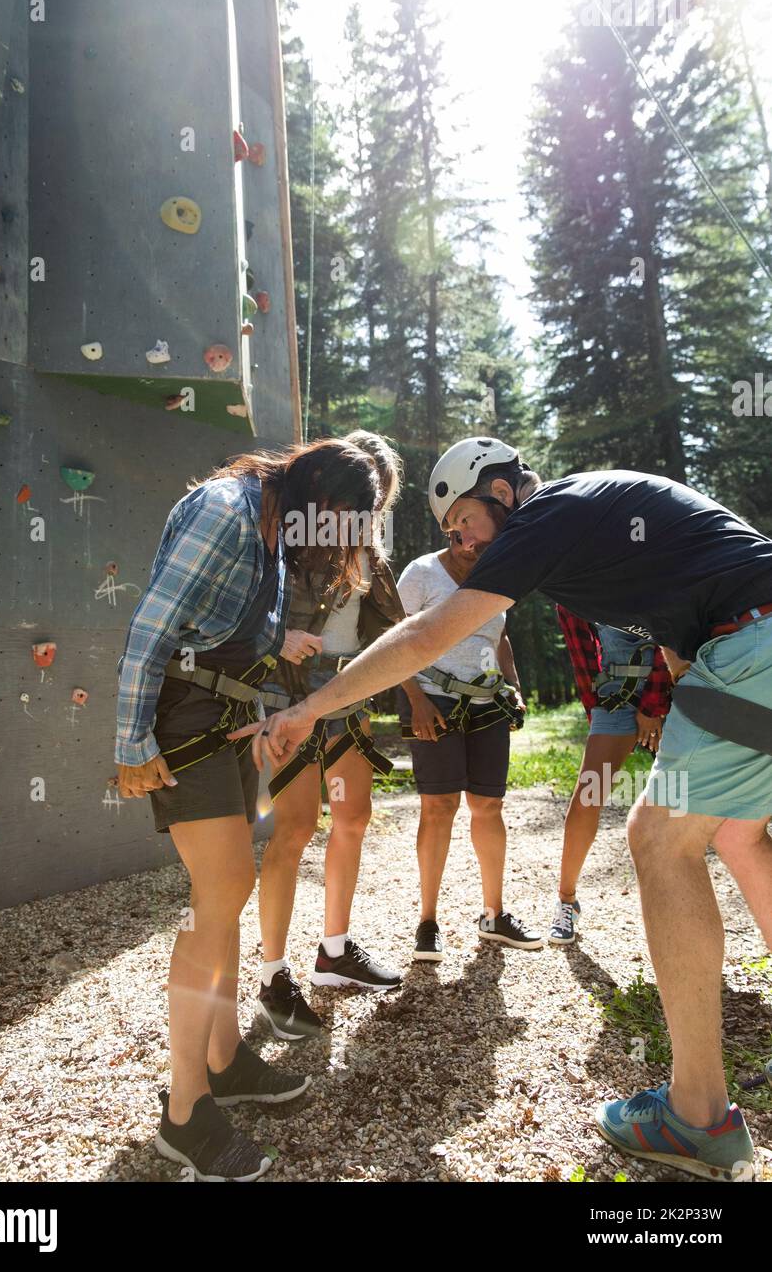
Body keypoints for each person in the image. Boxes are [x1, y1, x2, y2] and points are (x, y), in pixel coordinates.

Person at [232, 436, 772, 1182]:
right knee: (745, 836)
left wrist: (312, 709)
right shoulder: (590, 527)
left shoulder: (548, 515)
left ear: (503, 493)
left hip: (752, 643)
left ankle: (699, 1114)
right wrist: (680, 703)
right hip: (750, 642)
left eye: (462, 525)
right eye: (451, 535)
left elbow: (426, 635)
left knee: (658, 840)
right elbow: (681, 640)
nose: (461, 543)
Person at [115, 438, 380, 1181]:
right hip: (179, 719)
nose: (332, 546)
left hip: (228, 717)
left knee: (222, 898)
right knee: (221, 894)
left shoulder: (271, 526)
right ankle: (185, 1112)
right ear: (317, 499)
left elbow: (230, 629)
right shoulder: (228, 511)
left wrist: (272, 677)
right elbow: (152, 628)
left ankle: (225, 1059)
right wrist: (130, 740)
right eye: (337, 525)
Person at [257, 431, 407, 1041]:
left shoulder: (368, 553)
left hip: (349, 691)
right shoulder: (290, 541)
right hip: (290, 693)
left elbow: (392, 634)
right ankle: (272, 976)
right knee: (292, 828)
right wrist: (278, 647)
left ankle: (334, 950)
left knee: (352, 817)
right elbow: (255, 616)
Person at [396, 530, 534, 959]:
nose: (468, 544)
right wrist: (415, 699)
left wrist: (513, 686)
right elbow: (392, 638)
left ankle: (494, 914)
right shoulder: (421, 573)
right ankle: (428, 921)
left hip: (487, 702)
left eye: (481, 542)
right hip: (431, 699)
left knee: (488, 806)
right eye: (460, 535)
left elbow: (501, 636)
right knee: (439, 807)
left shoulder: (499, 578)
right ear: (449, 531)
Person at [549, 608, 673, 944]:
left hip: (675, 693)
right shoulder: (573, 585)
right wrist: (596, 707)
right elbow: (582, 655)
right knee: (588, 796)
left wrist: (654, 706)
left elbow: (675, 632)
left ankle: (677, 903)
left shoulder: (657, 560)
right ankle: (566, 900)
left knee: (675, 800)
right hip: (616, 694)